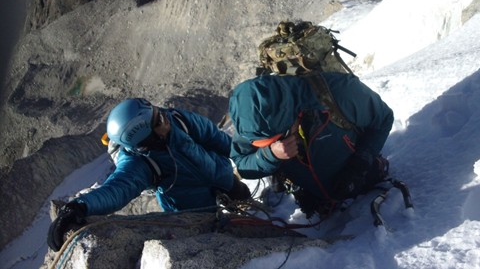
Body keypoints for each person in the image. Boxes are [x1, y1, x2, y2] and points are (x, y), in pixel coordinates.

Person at [47, 98, 250, 251]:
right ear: (147, 139)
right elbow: (118, 189)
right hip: (190, 207)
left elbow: (213, 137)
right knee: (211, 237)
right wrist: (78, 207)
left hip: (223, 179)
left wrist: (248, 160)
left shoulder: (177, 120)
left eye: (157, 112)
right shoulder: (140, 163)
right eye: (158, 120)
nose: (164, 116)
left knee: (243, 199)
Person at [229, 72, 393, 217]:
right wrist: (269, 155)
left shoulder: (341, 92)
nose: (276, 143)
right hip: (319, 204)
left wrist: (360, 164)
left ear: (293, 116)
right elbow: (242, 164)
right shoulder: (250, 123)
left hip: (366, 185)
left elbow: (383, 119)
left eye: (278, 138)